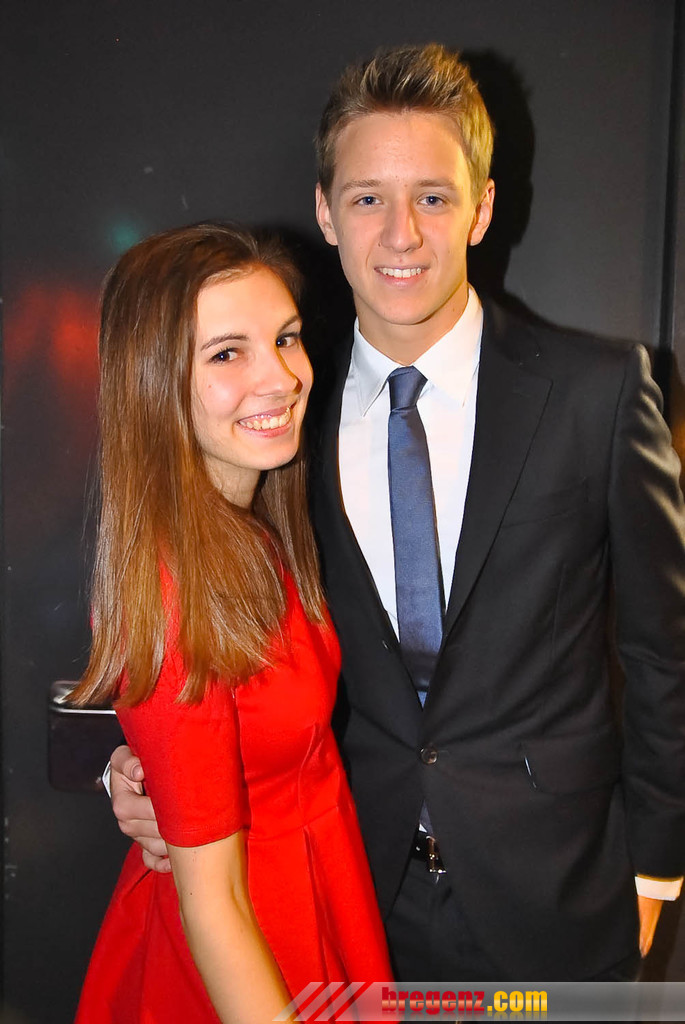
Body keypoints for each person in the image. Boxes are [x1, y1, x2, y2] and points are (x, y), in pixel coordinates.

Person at [109, 46, 685, 982]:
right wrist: (136, 771)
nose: (401, 234)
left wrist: (657, 864)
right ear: (325, 213)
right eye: (369, 198)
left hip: (558, 893)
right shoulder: (280, 410)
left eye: (432, 196)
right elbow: (207, 627)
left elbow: (664, 648)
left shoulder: (599, 392)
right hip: (346, 894)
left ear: (481, 209)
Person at [72, 223, 391, 1024]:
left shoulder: (262, 530)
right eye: (226, 354)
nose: (279, 377)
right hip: (243, 948)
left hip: (315, 892)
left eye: (284, 338)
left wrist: (141, 769)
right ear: (154, 383)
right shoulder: (172, 590)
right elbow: (212, 905)